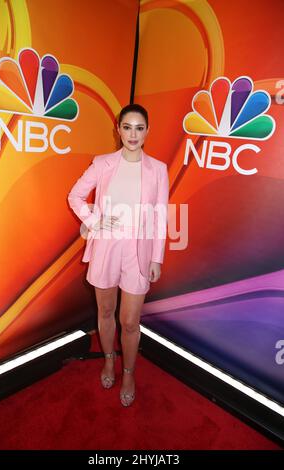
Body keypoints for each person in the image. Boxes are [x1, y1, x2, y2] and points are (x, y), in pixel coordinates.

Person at [68, 103, 169, 406]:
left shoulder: (159, 169)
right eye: (127, 127)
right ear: (118, 129)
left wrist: (157, 258)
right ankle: (109, 359)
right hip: (106, 247)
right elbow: (74, 195)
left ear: (147, 131)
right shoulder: (102, 163)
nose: (133, 134)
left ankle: (128, 371)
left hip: (139, 252)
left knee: (129, 321)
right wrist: (93, 221)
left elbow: (160, 216)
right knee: (105, 311)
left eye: (139, 128)